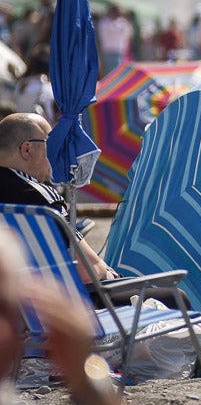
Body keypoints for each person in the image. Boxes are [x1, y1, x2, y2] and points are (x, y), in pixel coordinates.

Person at [0, 225, 182, 405]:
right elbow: (91, 271)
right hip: (94, 297)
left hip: (91, 296)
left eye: (5, 311)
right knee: (175, 297)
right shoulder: (46, 210)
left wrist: (86, 381)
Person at [0, 114, 118, 287]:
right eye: (51, 144)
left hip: (12, 306)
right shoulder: (39, 198)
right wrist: (109, 273)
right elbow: (89, 272)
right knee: (164, 296)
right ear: (27, 150)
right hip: (65, 305)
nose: (56, 154)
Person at [95, 4, 132, 77]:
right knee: (109, 74)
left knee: (117, 74)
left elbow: (127, 36)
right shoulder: (104, 22)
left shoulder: (122, 23)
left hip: (118, 51)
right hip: (107, 51)